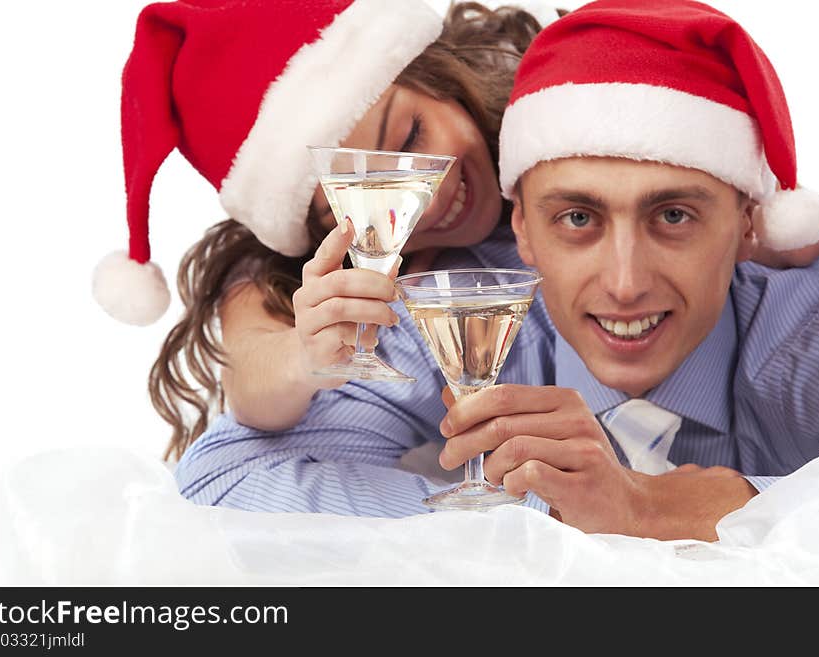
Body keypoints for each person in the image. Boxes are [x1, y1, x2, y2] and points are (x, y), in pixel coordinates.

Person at [171, 0, 819, 542]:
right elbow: (227, 472)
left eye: (673, 216)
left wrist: (656, 506)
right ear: (519, 226)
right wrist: (545, 512)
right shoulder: (455, 307)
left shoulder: (810, 331)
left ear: (751, 224)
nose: (624, 282)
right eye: (576, 218)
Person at [91, 0, 548, 457]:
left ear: (440, 76)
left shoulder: (554, 111)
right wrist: (304, 355)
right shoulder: (287, 271)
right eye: (361, 206)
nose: (421, 206)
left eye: (410, 137)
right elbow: (250, 377)